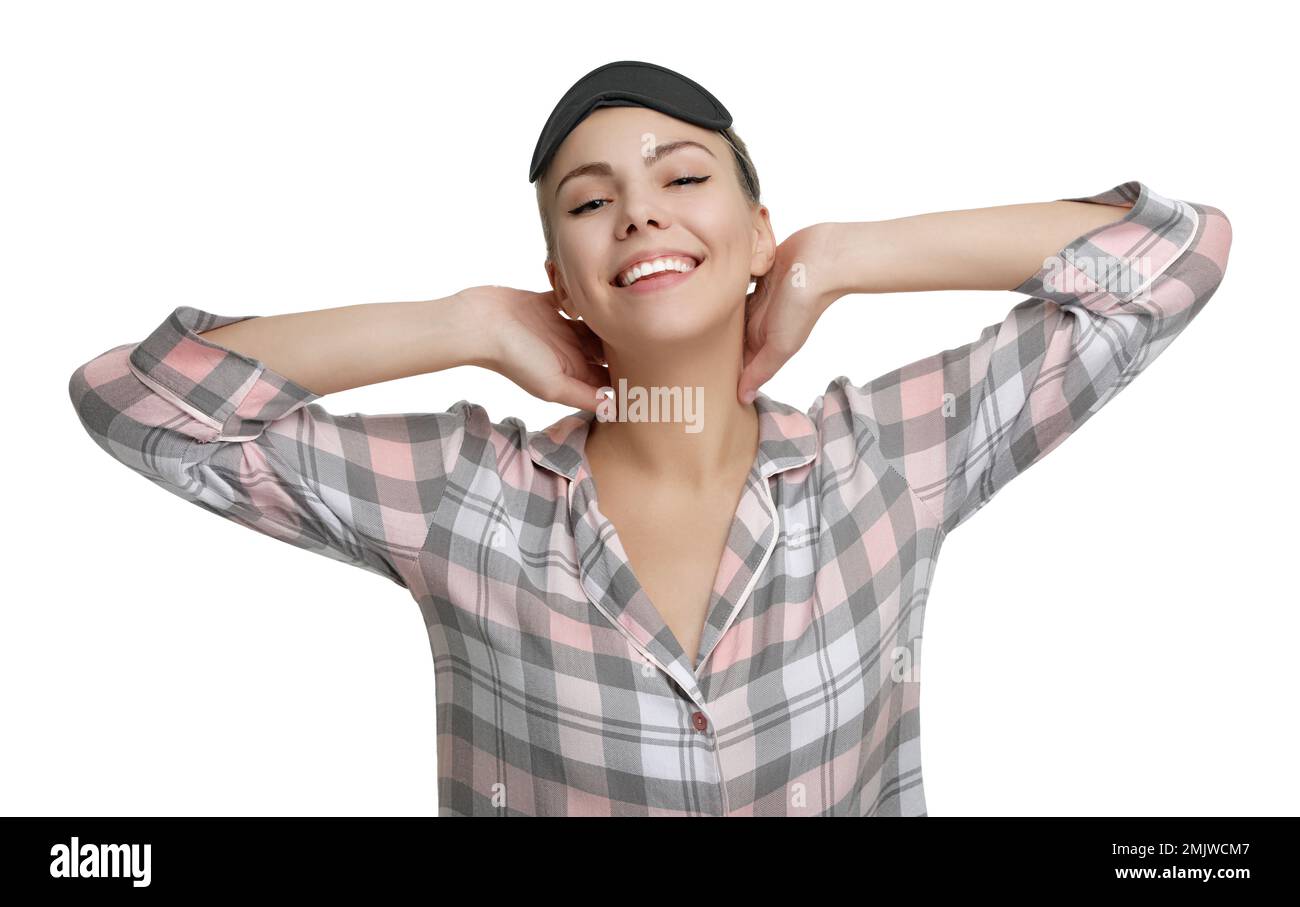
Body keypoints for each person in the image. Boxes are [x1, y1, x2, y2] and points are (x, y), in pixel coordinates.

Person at [68, 61, 1233, 816]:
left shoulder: (887, 456)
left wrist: (840, 256)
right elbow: (137, 400)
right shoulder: (460, 494)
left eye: (683, 176)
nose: (638, 210)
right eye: (588, 202)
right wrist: (461, 324)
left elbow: (1174, 259)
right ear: (561, 280)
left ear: (752, 225)